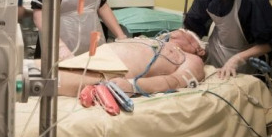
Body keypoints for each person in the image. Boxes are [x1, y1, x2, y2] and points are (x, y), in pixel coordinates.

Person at [47, 29, 207, 97]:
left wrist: (133, 86)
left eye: (184, 32)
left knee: (41, 79)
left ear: (198, 48)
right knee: (33, 68)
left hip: (112, 71)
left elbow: (174, 81)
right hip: (99, 57)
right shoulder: (158, 41)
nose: (176, 32)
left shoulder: (193, 59)